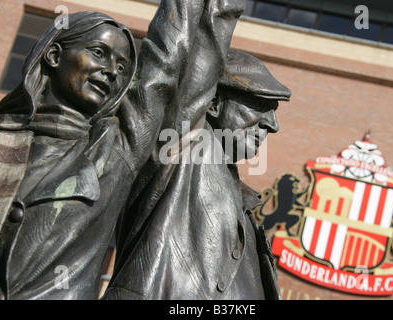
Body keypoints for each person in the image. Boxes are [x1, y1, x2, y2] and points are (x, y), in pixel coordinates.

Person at [103, 49, 291, 300]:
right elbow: (187, 53)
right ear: (212, 103)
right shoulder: (178, 152)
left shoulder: (243, 209)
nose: (273, 125)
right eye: (259, 105)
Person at [0, 11, 139, 300]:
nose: (111, 71)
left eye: (122, 69)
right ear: (54, 56)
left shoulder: (115, 149)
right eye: (99, 53)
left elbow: (171, 56)